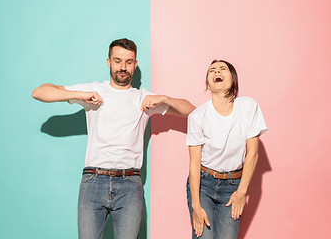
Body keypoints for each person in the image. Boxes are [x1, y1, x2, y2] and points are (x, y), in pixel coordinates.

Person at [32, 38, 195, 239]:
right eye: (117, 61)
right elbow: (39, 92)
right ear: (108, 62)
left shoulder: (143, 98)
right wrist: (80, 95)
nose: (123, 67)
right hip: (93, 180)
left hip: (130, 183)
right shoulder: (93, 91)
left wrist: (164, 99)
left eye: (128, 62)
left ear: (135, 64)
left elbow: (192, 111)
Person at [186, 59, 267, 238]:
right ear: (208, 82)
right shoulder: (197, 116)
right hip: (204, 184)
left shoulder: (248, 107)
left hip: (233, 186)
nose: (217, 72)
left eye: (223, 69)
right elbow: (194, 163)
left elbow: (253, 153)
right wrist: (196, 206)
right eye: (212, 70)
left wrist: (242, 192)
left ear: (233, 79)